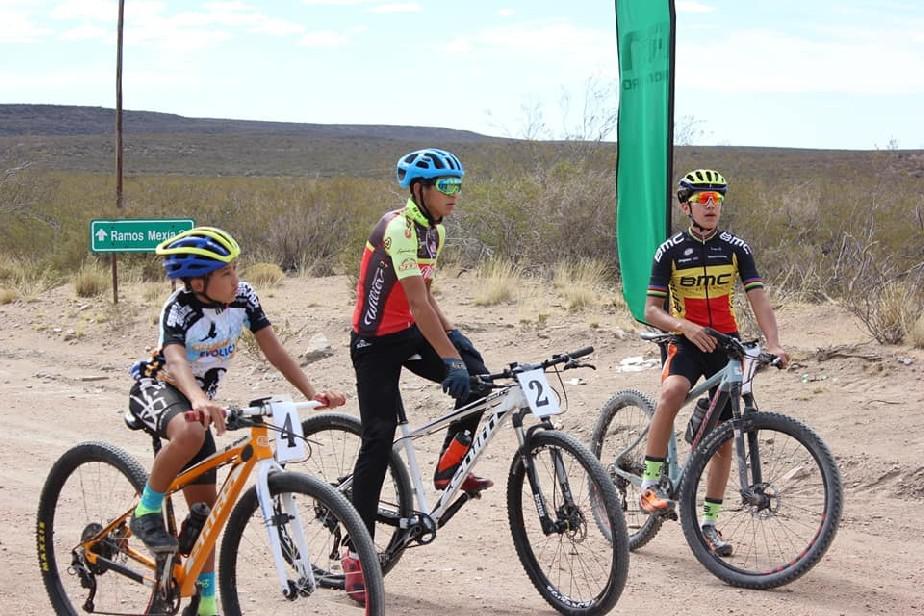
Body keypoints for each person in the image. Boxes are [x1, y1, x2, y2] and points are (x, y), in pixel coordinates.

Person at [127, 226, 346, 616]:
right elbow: (176, 361)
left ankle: (207, 604)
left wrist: (311, 393)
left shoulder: (244, 298)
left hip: (199, 403)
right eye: (226, 273)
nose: (236, 279)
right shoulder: (178, 308)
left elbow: (275, 352)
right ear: (197, 281)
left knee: (206, 518)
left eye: (235, 269)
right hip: (159, 388)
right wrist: (198, 398)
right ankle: (146, 511)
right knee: (192, 431)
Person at [346, 148, 492, 598]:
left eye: (458, 186)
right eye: (446, 188)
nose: (455, 195)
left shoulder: (435, 232)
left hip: (409, 333)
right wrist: (448, 359)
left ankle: (451, 465)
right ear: (419, 189)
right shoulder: (399, 230)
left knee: (481, 381)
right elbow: (414, 302)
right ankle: (356, 552)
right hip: (374, 344)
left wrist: (456, 339)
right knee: (378, 438)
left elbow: (427, 299)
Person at [640, 169, 789, 557]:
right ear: (686, 205)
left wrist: (773, 342)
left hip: (726, 344)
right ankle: (650, 483)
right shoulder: (669, 251)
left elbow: (758, 298)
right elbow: (651, 310)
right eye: (703, 199)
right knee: (672, 391)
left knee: (723, 438)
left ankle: (708, 524)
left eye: (717, 200)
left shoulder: (736, 248)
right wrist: (684, 327)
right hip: (687, 341)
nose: (711, 206)